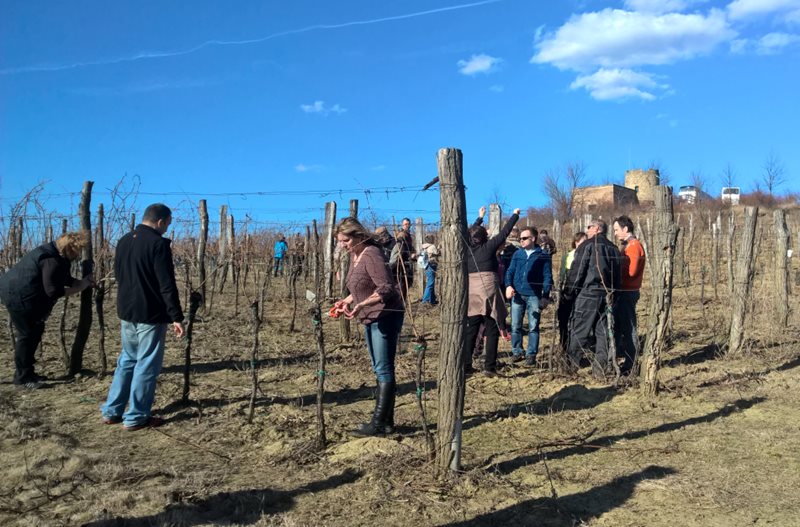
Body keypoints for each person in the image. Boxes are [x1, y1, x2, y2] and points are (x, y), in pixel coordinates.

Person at [101, 204, 185, 431]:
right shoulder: (158, 244)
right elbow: (166, 284)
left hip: (126, 310)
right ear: (160, 221)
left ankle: (112, 410)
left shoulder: (124, 240)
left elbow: (119, 274)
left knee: (127, 360)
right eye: (168, 224)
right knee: (146, 364)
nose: (167, 228)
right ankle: (136, 416)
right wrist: (176, 316)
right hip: (150, 313)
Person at [333, 217, 404, 436]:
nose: (342, 245)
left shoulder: (372, 254)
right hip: (369, 316)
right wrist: (346, 301)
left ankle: (377, 424)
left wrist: (362, 303)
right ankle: (387, 422)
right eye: (340, 241)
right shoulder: (355, 255)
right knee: (379, 367)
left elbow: (386, 288)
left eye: (345, 240)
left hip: (385, 315)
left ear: (357, 236)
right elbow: (359, 287)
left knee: (383, 368)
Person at [0, 231, 94, 389]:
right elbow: (53, 290)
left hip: (23, 294)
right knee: (27, 335)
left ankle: (28, 372)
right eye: (77, 251)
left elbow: (61, 277)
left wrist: (80, 282)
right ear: (70, 248)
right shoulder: (51, 259)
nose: (78, 255)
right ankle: (22, 379)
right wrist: (80, 288)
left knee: (35, 331)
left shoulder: (54, 253)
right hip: (18, 297)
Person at [464, 206, 520, 376]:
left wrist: (479, 218)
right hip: (488, 289)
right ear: (484, 237)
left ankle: (466, 366)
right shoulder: (488, 247)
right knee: (492, 326)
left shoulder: (466, 248)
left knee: (472, 328)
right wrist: (514, 216)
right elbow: (504, 233)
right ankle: (489, 367)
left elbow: (468, 234)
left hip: (471, 291)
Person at [565, 219, 621, 378]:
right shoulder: (614, 248)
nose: (587, 230)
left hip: (588, 293)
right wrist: (614, 295)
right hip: (607, 295)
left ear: (597, 228)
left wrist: (569, 292)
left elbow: (578, 271)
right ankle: (600, 369)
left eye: (589, 227)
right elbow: (618, 276)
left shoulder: (587, 245)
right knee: (603, 332)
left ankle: (569, 366)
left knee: (579, 330)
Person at [505, 227, 553, 366]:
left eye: (524, 238)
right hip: (517, 295)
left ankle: (531, 354)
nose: (521, 240)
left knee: (533, 326)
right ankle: (517, 351)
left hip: (534, 295)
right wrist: (508, 285)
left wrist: (545, 295)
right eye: (520, 238)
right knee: (515, 325)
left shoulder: (543, 255)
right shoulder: (517, 254)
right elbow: (510, 271)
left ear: (533, 238)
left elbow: (547, 276)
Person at [613, 215, 646, 375]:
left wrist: (616, 270)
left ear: (625, 229)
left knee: (629, 326)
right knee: (620, 326)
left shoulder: (633, 246)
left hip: (628, 291)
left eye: (617, 230)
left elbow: (631, 272)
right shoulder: (629, 245)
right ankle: (623, 358)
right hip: (624, 291)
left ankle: (631, 362)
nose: (615, 233)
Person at [557, 232, 587, 354]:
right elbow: (562, 274)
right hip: (568, 291)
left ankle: (577, 347)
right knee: (563, 318)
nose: (583, 244)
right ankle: (563, 345)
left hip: (583, 292)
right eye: (580, 241)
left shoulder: (589, 255)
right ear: (575, 242)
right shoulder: (568, 256)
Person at [393, 218, 415, 301]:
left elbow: (410, 248)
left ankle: (402, 304)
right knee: (401, 287)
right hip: (402, 264)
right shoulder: (402, 235)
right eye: (405, 224)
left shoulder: (408, 235)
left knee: (406, 286)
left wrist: (414, 252)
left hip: (407, 263)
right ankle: (399, 305)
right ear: (402, 225)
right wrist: (410, 255)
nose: (407, 226)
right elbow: (400, 249)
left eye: (408, 224)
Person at [420, 234, 439, 305]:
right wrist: (439, 249)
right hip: (432, 265)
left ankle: (432, 300)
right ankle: (424, 301)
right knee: (430, 283)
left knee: (431, 282)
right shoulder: (433, 246)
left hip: (426, 266)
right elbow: (437, 253)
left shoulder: (424, 246)